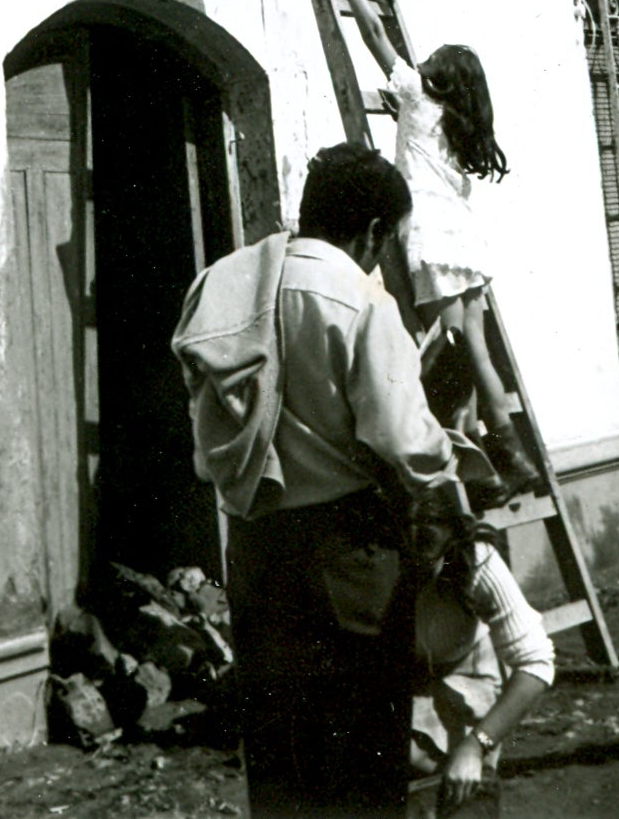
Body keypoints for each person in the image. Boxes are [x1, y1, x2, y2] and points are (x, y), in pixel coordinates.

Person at [172, 143, 488, 818]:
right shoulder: (359, 302)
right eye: (391, 240)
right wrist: (454, 483)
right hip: (350, 562)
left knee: (282, 756)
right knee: (362, 762)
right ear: (372, 230)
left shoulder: (223, 287)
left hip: (258, 551)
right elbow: (406, 442)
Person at [331, 0, 538, 508]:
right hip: (465, 240)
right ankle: (485, 455)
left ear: (440, 76)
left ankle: (501, 452)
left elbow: (374, 34)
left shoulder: (419, 99)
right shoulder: (460, 126)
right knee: (470, 346)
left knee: (454, 349)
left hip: (430, 237)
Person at [409, 490, 554, 815]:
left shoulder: (476, 560)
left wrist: (476, 746)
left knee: (468, 793)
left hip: (468, 690)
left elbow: (536, 662)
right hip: (404, 696)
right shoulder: (362, 572)